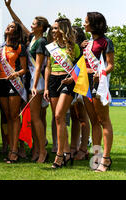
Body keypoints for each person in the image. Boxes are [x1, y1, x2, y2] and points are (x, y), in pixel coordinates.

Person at [4, 0, 49, 163]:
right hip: (30, 80)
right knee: (35, 117)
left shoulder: (42, 42)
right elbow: (19, 22)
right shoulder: (32, 38)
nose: (30, 25)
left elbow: (38, 65)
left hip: (36, 82)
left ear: (41, 27)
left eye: (34, 23)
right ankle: (36, 150)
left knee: (37, 117)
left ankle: (42, 151)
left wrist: (35, 85)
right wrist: (9, 8)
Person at [44, 18, 81, 169]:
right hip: (53, 81)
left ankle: (59, 155)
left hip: (68, 82)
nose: (53, 31)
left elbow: (80, 68)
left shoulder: (74, 47)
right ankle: (66, 153)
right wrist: (46, 87)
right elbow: (47, 67)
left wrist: (72, 78)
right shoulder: (50, 47)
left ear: (63, 30)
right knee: (58, 119)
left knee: (59, 115)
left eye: (56, 28)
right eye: (52, 28)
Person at [82, 12, 114, 172]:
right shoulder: (88, 43)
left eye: (86, 21)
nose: (83, 24)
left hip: (98, 83)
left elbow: (110, 65)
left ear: (94, 24)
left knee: (104, 121)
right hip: (84, 83)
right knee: (93, 121)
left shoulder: (106, 42)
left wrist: (100, 73)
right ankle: (96, 158)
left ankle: (106, 159)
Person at [0, 21, 28, 164]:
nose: (9, 27)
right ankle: (11, 147)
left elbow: (24, 69)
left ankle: (14, 150)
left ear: (16, 31)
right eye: (8, 25)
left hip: (14, 83)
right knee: (7, 117)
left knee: (14, 117)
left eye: (12, 26)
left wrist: (16, 74)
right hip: (1, 83)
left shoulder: (20, 47)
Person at [70, 26, 90, 160]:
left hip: (82, 83)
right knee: (74, 117)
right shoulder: (70, 47)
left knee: (83, 117)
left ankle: (83, 149)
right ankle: (73, 147)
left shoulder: (85, 47)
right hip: (71, 83)